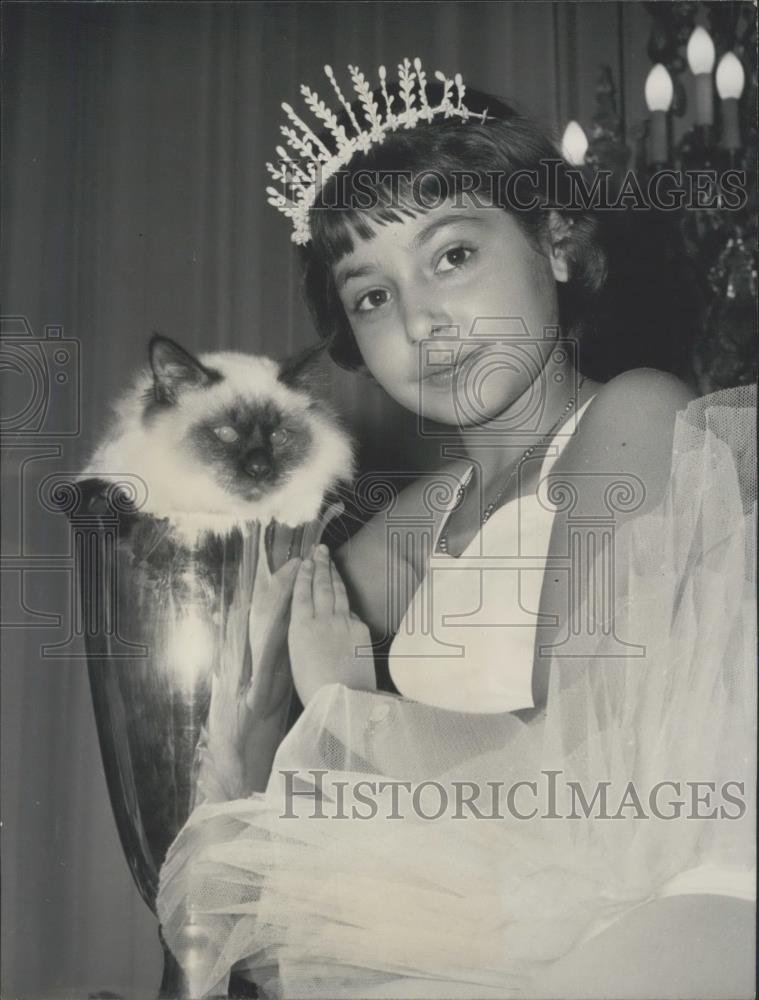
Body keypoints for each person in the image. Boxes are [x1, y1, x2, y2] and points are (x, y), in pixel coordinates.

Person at [156, 60, 756, 999]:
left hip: (633, 931)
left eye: (451, 255)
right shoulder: (414, 525)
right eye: (372, 296)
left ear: (555, 240)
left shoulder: (631, 418)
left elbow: (592, 767)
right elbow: (248, 725)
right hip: (472, 939)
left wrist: (354, 713)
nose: (424, 319)